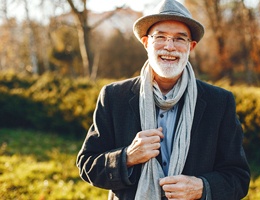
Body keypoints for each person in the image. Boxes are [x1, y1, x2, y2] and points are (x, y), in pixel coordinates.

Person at [76, 0, 250, 199]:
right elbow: (87, 165)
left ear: (190, 47)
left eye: (179, 39)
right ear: (146, 43)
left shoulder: (219, 102)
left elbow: (239, 177)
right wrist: (127, 157)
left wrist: (201, 187)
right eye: (160, 37)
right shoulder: (115, 97)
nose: (169, 46)